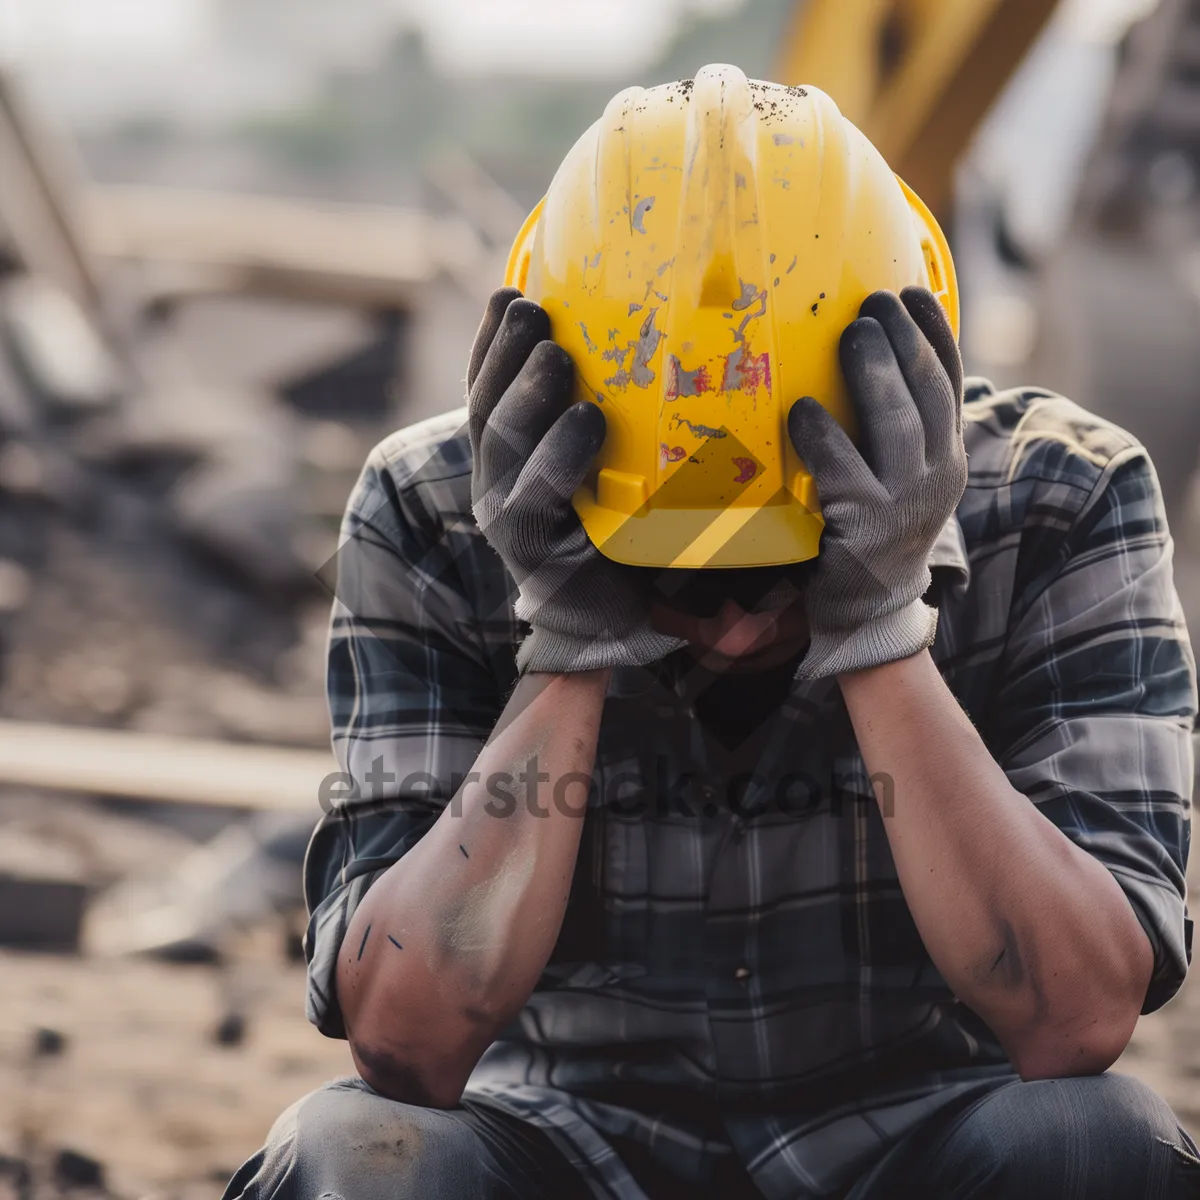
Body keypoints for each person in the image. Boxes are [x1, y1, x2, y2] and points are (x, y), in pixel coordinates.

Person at [224, 66, 1200, 1198]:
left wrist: (874, 622)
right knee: (358, 1159)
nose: (734, 634)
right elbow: (407, 1045)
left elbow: (1078, 1023)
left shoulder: (1062, 500)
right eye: (675, 584)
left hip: (919, 1148)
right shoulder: (432, 509)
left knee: (1097, 1147)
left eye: (781, 577)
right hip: (566, 1142)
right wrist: (574, 633)